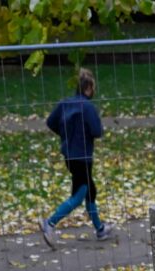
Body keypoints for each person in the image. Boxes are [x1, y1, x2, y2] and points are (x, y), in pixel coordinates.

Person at [40, 68, 113, 247]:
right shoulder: (87, 107)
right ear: (88, 87)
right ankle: (49, 223)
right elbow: (97, 131)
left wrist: (66, 135)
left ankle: (100, 229)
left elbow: (50, 122)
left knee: (90, 191)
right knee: (80, 194)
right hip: (83, 156)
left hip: (69, 155)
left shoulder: (65, 103)